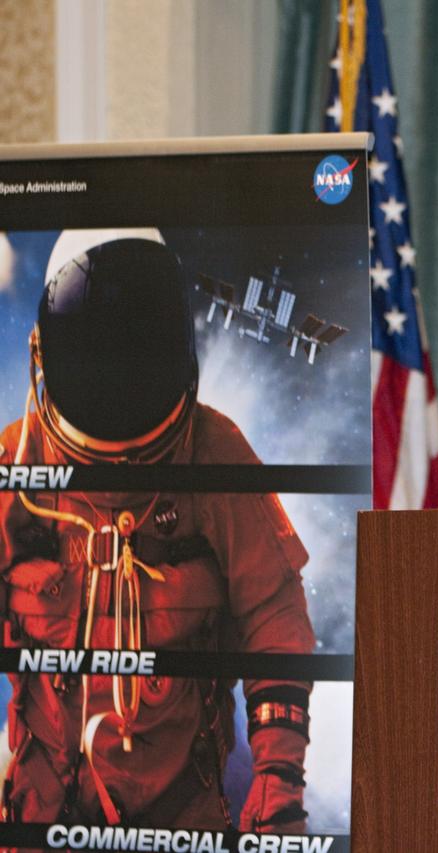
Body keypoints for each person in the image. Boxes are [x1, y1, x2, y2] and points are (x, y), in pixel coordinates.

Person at [0, 230, 314, 831]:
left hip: (181, 825)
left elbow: (273, 613)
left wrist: (279, 778)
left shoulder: (215, 454)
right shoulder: (18, 469)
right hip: (38, 822)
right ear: (44, 354)